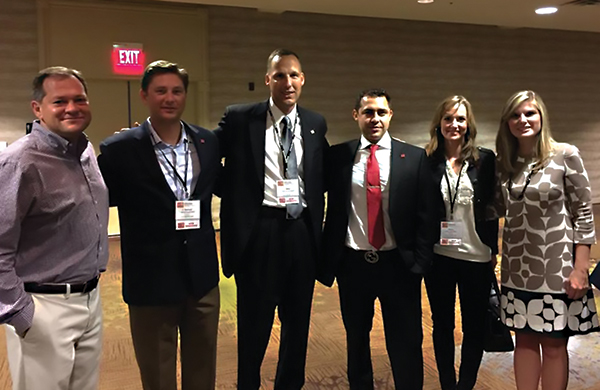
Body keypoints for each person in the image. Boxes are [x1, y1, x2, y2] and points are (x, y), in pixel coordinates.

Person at [98, 60, 220, 390]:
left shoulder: (207, 143)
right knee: (158, 375)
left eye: (177, 91)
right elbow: (94, 204)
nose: (170, 98)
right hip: (150, 281)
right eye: (161, 91)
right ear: (144, 95)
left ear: (185, 95)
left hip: (202, 280)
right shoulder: (119, 149)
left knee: (202, 369)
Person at [214, 48, 328, 390]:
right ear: (267, 80)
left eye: (294, 75)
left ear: (303, 80)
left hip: (301, 234)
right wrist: (234, 193)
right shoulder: (239, 118)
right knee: (254, 326)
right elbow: (204, 156)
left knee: (297, 325)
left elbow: (319, 173)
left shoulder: (314, 123)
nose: (287, 82)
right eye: (280, 75)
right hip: (259, 233)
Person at [320, 88, 437, 389]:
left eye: (381, 112)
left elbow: (427, 215)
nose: (375, 118)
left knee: (407, 341)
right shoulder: (338, 156)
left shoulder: (413, 157)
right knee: (356, 340)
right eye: (368, 112)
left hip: (398, 265)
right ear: (356, 115)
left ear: (390, 115)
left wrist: (420, 264)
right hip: (353, 264)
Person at [0, 67, 108, 390]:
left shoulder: (85, 151)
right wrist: (19, 312)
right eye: (59, 101)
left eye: (80, 99)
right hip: (44, 307)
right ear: (38, 108)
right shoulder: (20, 162)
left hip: (91, 299)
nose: (72, 108)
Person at [495, 90, 599, 390]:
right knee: (524, 342)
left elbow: (583, 215)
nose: (522, 120)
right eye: (515, 115)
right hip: (516, 268)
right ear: (507, 122)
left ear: (541, 117)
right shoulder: (505, 162)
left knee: (553, 345)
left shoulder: (565, 154)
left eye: (529, 113)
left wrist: (581, 269)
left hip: (557, 268)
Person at [424, 95, 499, 390]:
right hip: (438, 257)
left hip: (477, 257)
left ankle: (465, 384)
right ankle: (446, 384)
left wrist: (494, 250)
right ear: (439, 124)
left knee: (474, 326)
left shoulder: (484, 160)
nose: (454, 124)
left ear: (468, 125)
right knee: (442, 325)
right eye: (448, 118)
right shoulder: (427, 162)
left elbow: (492, 209)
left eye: (460, 119)